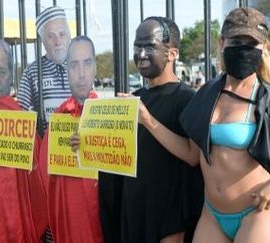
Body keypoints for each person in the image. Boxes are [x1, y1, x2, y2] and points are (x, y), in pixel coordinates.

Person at [135, 8, 270, 242]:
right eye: (236, 41)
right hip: (212, 216)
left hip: (259, 214)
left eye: (251, 42)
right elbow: (192, 154)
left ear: (263, 48)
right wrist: (148, 120)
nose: (243, 48)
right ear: (222, 43)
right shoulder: (205, 94)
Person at [71, 17, 204, 243]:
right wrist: (86, 143)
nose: (141, 54)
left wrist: (147, 119)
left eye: (149, 46)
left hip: (168, 221)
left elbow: (193, 156)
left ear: (172, 53)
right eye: (137, 46)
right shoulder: (136, 99)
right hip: (134, 213)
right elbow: (118, 158)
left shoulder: (187, 98)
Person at [0, 38, 47, 243]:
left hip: (19, 221)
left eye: (3, 71)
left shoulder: (23, 119)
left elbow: (38, 183)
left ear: (11, 73)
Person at [39, 36, 104, 243]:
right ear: (66, 71)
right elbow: (44, 177)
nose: (82, 74)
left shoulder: (110, 117)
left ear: (95, 67)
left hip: (101, 225)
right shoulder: (58, 119)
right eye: (74, 65)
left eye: (87, 63)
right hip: (68, 227)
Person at [17, 6, 72, 134]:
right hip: (45, 150)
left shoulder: (80, 66)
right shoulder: (31, 73)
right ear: (43, 40)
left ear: (69, 35)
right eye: (51, 36)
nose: (58, 42)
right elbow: (21, 120)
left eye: (62, 34)